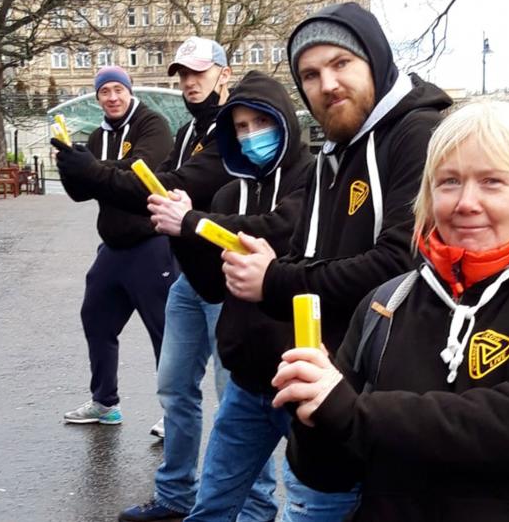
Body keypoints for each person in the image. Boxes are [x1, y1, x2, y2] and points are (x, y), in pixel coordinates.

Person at [272, 99, 509, 522]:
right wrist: (312, 412)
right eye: (449, 182)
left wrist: (350, 412)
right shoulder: (385, 305)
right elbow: (328, 475)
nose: (466, 202)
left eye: (492, 182)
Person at [220, 2, 452, 513]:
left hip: (374, 393)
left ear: (374, 59)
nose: (327, 84)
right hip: (326, 382)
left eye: (341, 64)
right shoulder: (336, 151)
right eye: (310, 73)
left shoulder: (417, 134)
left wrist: (274, 281)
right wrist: (272, 265)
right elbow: (315, 254)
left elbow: (402, 265)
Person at [54, 39, 274, 522]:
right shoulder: (188, 127)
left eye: (199, 72)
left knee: (240, 401)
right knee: (175, 389)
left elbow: (173, 186)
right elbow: (155, 187)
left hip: (228, 284)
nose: (189, 82)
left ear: (224, 72)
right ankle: (176, 494)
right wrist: (84, 172)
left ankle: (256, 508)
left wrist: (92, 171)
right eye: (182, 74)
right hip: (188, 281)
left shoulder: (231, 133)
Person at [147, 70, 315, 522]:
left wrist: (195, 224)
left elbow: (281, 229)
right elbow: (209, 282)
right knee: (213, 506)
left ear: (285, 121)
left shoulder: (315, 177)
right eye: (240, 128)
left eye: (261, 123)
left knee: (308, 506)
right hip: (246, 377)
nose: (251, 136)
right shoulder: (227, 191)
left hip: (301, 376)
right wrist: (179, 231)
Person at [57, 65, 176, 426]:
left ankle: (174, 413)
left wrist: (89, 166)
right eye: (104, 92)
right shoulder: (97, 136)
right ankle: (104, 402)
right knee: (95, 318)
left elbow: (140, 173)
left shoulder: (152, 124)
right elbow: (81, 192)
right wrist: (67, 164)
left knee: (164, 331)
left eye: (117, 90)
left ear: (129, 91)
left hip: (152, 242)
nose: (112, 97)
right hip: (112, 247)